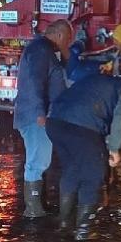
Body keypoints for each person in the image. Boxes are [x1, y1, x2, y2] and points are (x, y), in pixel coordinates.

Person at [45, 70, 121, 240]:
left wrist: (105, 145)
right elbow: (120, 118)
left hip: (55, 122)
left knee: (72, 170)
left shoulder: (100, 79)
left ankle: (64, 222)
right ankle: (84, 230)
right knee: (93, 174)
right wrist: (114, 149)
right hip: (81, 127)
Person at [13, 19, 74, 218]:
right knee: (37, 161)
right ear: (58, 35)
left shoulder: (44, 49)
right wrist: (40, 112)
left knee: (40, 159)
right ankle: (32, 209)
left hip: (38, 114)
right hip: (35, 116)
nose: (69, 43)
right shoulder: (40, 50)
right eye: (67, 39)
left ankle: (40, 204)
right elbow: (35, 81)